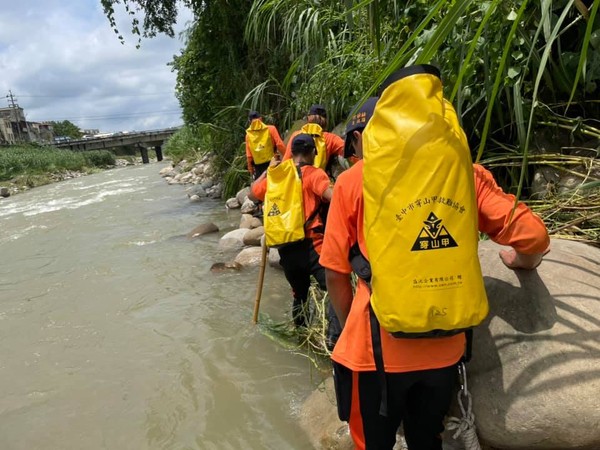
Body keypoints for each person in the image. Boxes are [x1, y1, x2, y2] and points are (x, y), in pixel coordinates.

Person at [319, 73, 550, 449]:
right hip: (445, 351)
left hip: (374, 349)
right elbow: (535, 236)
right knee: (427, 441)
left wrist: (349, 328)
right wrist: (523, 259)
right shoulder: (465, 175)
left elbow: (334, 273)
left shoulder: (352, 182)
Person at [250, 134, 342, 345]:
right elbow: (332, 197)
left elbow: (251, 196)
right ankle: (333, 339)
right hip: (312, 245)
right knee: (333, 288)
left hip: (286, 249)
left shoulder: (276, 176)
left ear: (291, 153)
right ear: (312, 153)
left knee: (299, 295)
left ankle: (302, 337)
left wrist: (267, 171)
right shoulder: (314, 174)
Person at [282, 104, 345, 177]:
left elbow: (285, 162)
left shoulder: (296, 135)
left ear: (309, 118)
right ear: (325, 121)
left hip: (296, 180)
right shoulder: (330, 138)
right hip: (316, 180)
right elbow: (348, 151)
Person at [245, 111, 286, 180]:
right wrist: (287, 157)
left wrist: (250, 169)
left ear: (249, 122)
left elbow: (249, 156)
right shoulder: (271, 129)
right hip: (273, 162)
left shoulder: (248, 136)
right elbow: (279, 144)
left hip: (258, 167)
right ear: (261, 119)